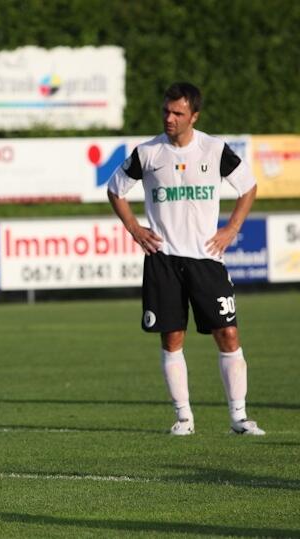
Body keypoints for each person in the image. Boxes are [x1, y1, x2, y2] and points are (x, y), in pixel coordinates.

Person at [107, 82, 263, 437]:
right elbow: (115, 189)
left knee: (228, 333)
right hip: (163, 260)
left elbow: (248, 186)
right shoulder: (147, 153)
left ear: (194, 115)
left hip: (207, 259)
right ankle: (184, 417)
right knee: (172, 338)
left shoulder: (214, 149)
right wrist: (134, 228)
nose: (169, 118)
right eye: (166, 111)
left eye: (178, 113)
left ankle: (239, 417)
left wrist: (231, 229)